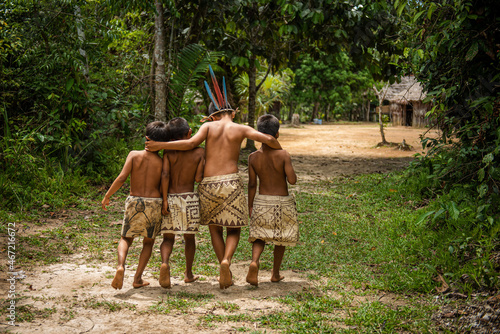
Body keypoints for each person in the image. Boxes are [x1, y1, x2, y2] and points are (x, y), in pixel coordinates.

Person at [146, 103, 282, 289]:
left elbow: (190, 143)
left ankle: (223, 266)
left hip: (209, 184)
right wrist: (277, 145)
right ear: (232, 112)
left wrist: (159, 145)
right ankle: (226, 260)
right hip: (231, 182)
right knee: (233, 230)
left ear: (212, 116)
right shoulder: (241, 128)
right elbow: (269, 140)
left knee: (215, 229)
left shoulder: (208, 127)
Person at [102, 121, 169, 290]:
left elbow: (122, 177)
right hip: (154, 203)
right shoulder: (162, 162)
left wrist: (108, 195)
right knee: (148, 242)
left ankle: (120, 266)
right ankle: (137, 278)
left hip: (134, 201)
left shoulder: (133, 155)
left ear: (146, 138)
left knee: (126, 238)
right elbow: (163, 186)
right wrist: (165, 202)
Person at [245, 114, 298, 287]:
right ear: (277, 135)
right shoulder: (283, 155)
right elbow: (292, 180)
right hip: (282, 202)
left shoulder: (253, 157)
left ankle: (254, 262)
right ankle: (275, 273)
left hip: (261, 201)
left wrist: (251, 205)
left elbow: (252, 184)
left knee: (259, 236)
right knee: (280, 239)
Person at [158, 117, 205, 289]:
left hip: (170, 197)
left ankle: (164, 264)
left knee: (168, 237)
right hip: (189, 199)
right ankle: (188, 273)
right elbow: (198, 178)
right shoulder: (200, 152)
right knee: (189, 238)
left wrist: (164, 199)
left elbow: (164, 175)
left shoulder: (168, 153)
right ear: (190, 133)